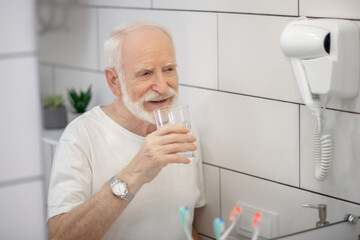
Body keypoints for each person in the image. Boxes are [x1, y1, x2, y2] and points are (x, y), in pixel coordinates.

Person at [47, 21, 206, 240]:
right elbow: (59, 237)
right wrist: (136, 172)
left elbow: (187, 228)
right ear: (114, 81)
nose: (162, 87)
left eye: (169, 69)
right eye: (145, 74)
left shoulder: (185, 130)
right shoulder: (81, 136)